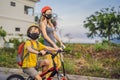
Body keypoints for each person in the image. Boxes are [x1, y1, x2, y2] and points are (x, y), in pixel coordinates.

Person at [39, 6, 65, 74]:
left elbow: (54, 34)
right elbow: (45, 36)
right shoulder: (42, 23)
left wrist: (60, 42)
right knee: (50, 66)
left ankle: (46, 76)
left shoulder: (50, 24)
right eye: (49, 12)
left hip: (54, 47)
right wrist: (53, 44)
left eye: (51, 12)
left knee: (58, 64)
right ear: (44, 14)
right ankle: (43, 76)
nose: (50, 14)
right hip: (48, 47)